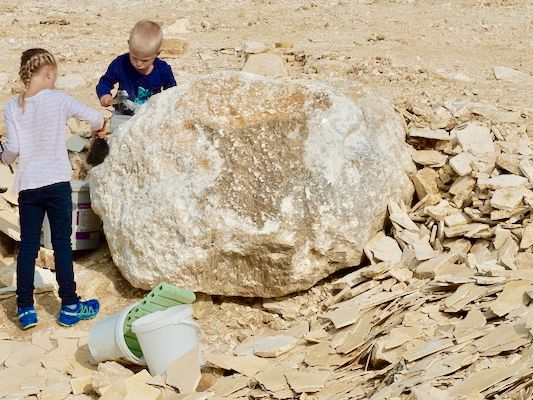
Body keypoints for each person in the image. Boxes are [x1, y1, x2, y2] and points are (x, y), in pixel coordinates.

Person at [0, 48, 104, 329]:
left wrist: (4, 158)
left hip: (29, 186)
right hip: (57, 184)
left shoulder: (12, 106)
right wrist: (100, 127)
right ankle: (69, 305)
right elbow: (94, 118)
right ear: (49, 73)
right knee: (61, 244)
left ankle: (25, 309)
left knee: (29, 246)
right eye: (54, 76)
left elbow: (12, 150)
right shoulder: (58, 100)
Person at [96, 20, 177, 132]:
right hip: (123, 114)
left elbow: (173, 92)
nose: (138, 63)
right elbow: (105, 82)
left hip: (150, 115)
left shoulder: (163, 70)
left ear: (157, 53)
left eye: (145, 60)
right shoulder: (120, 64)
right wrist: (104, 95)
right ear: (129, 45)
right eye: (134, 57)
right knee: (118, 134)